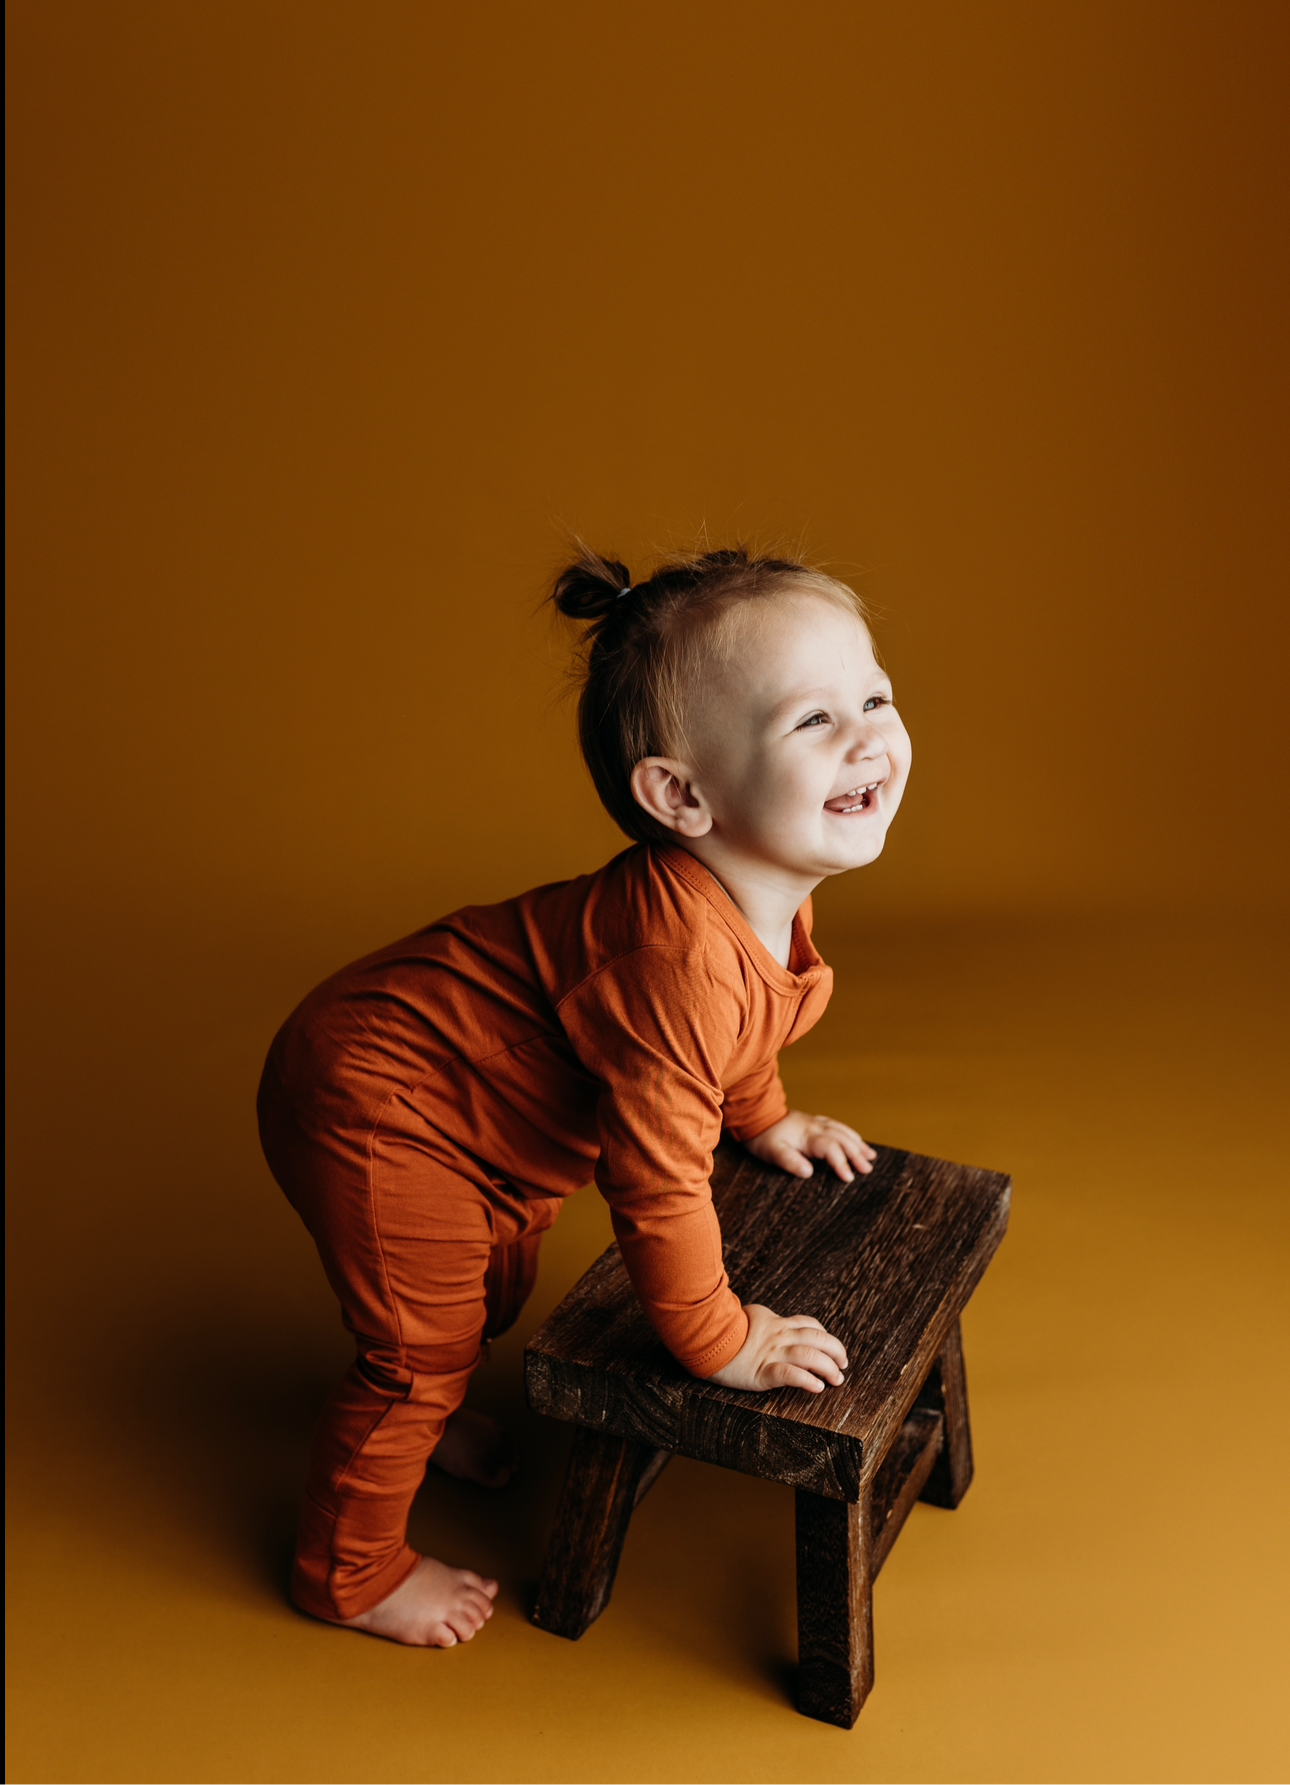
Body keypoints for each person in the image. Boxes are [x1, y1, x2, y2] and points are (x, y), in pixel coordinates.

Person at [257, 545, 913, 1648]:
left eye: (876, 696)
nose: (868, 736)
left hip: (476, 1104)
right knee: (421, 1344)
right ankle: (349, 1571)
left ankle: (442, 1402)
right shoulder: (673, 956)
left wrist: (764, 1117)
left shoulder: (758, 890)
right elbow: (657, 1181)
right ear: (680, 795)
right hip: (379, 1094)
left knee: (488, 1287)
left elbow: (738, 1030)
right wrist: (721, 1339)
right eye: (812, 721)